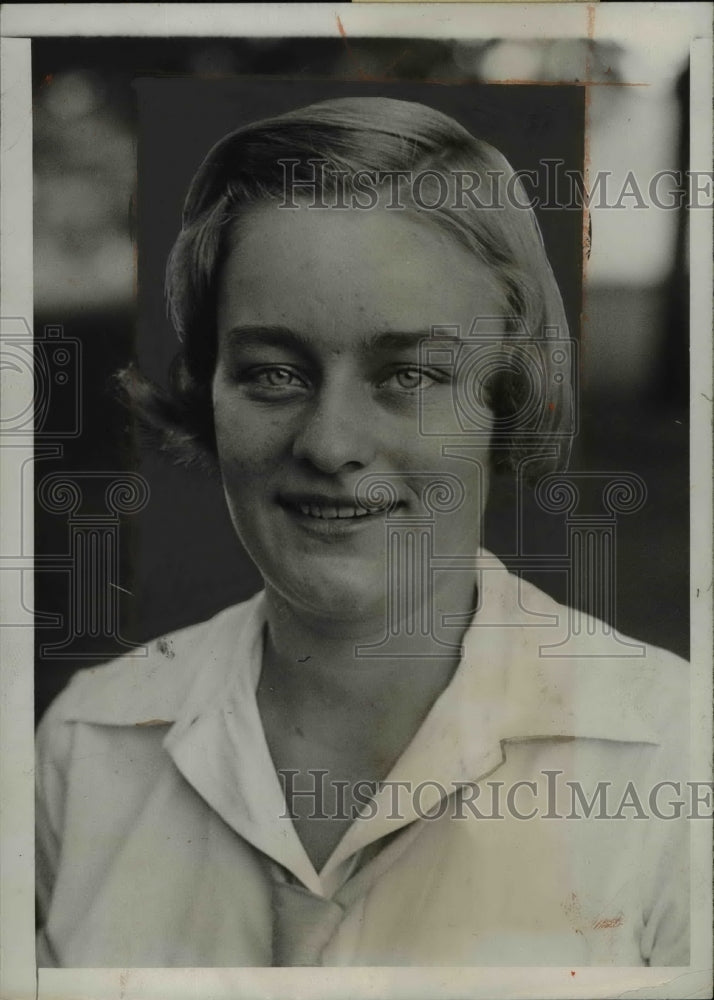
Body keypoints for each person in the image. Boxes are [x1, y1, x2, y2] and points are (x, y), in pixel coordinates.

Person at [35, 97, 689, 967]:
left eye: (409, 374)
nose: (331, 443)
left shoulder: (672, 758)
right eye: (273, 373)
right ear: (208, 391)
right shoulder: (89, 746)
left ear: (506, 395)